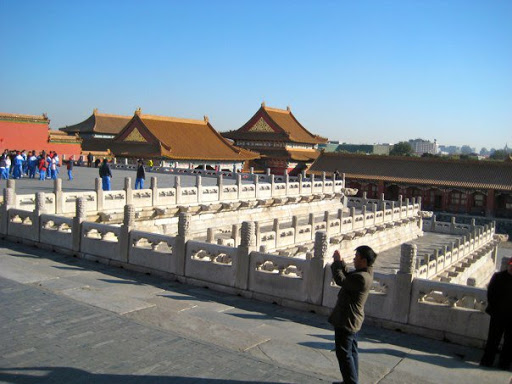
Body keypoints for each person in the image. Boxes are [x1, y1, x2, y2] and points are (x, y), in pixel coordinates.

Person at [329, 246, 377, 384]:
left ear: (363, 260)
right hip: (352, 319)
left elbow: (341, 280)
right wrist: (342, 263)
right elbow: (348, 276)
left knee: (344, 354)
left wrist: (337, 262)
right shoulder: (365, 273)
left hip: (347, 319)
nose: (354, 259)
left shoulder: (362, 278)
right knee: (351, 352)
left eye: (356, 257)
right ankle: (351, 380)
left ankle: (351, 382)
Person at [480, 258, 512, 370]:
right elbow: (491, 294)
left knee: (509, 343)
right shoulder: (498, 277)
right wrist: (495, 308)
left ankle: (504, 364)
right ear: (508, 265)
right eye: (511, 264)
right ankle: (487, 361)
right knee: (493, 340)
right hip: (498, 315)